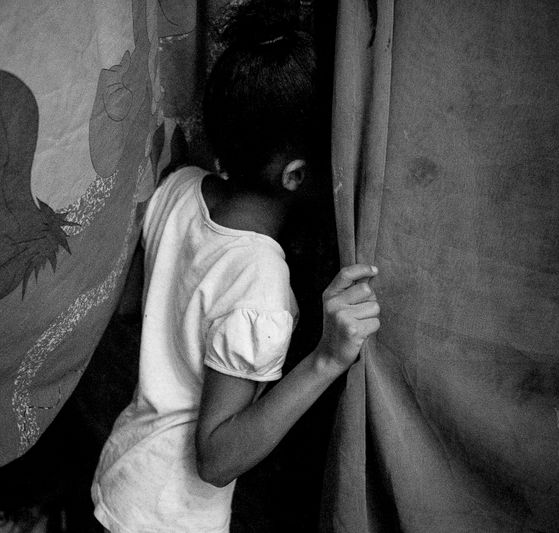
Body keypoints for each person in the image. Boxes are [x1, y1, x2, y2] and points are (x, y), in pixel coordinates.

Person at [91, 3, 380, 531]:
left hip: (123, 474)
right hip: (170, 519)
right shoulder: (260, 280)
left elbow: (130, 303)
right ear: (296, 175)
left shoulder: (179, 188)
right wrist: (325, 360)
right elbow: (217, 458)